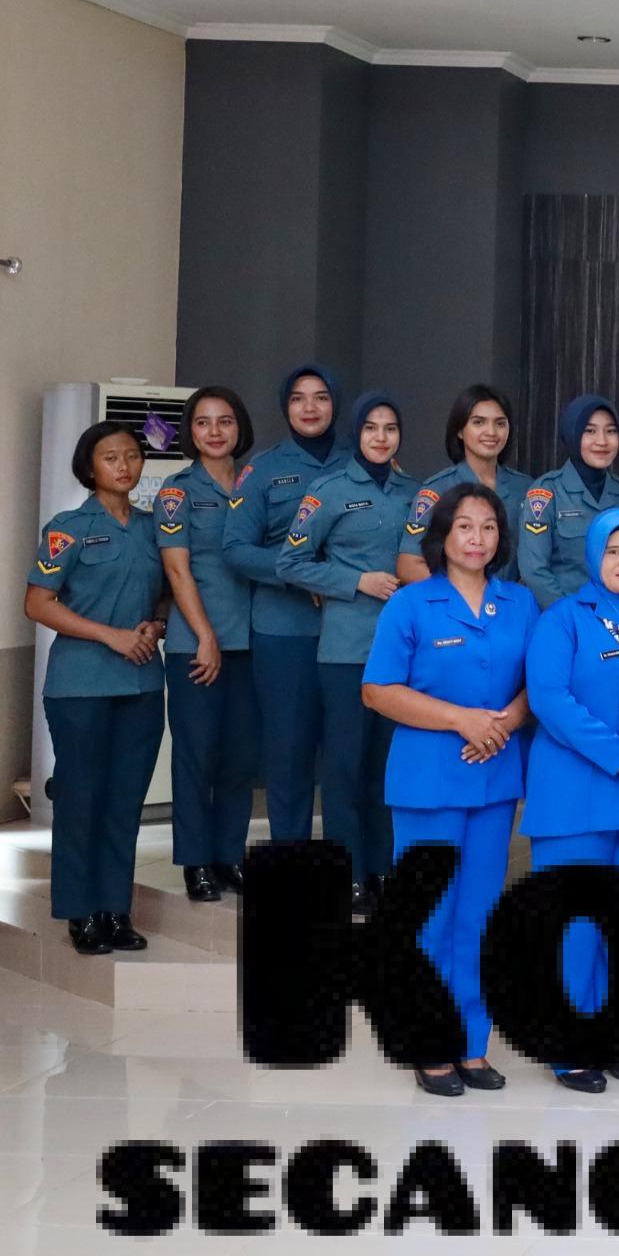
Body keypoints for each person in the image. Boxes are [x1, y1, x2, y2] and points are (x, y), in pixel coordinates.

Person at [359, 483, 537, 1096]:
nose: (477, 538)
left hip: (494, 780)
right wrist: (461, 719)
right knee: (429, 917)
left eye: (488, 527)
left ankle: (471, 1043)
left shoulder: (519, 603)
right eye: (465, 526)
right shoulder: (411, 604)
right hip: (428, 780)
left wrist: (504, 723)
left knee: (478, 917)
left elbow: (536, 683)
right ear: (442, 536)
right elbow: (377, 691)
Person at [522, 508, 619, 1092]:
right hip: (576, 793)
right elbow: (549, 698)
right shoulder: (563, 619)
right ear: (593, 556)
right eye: (613, 550)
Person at [26, 423, 168, 956]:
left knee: (124, 801)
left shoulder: (154, 529)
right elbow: (38, 603)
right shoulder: (68, 529)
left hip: (141, 682)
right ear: (90, 468)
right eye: (111, 457)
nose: (124, 466)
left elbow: (167, 593)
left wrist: (156, 624)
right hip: (80, 685)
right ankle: (79, 911)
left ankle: (115, 909)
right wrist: (110, 635)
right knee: (81, 798)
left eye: (131, 455)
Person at [277, 392, 420, 912]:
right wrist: (355, 580)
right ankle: (350, 873)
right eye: (371, 428)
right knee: (344, 768)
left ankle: (383, 868)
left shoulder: (416, 493)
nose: (381, 437)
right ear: (356, 434)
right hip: (347, 650)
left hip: (404, 652)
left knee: (388, 768)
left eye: (390, 428)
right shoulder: (329, 491)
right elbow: (290, 562)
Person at [222, 363, 346, 857]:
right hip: (284, 632)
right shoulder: (263, 469)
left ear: (336, 403)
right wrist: (300, 574)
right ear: (285, 407)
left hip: (351, 632)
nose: (310, 407)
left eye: (321, 397)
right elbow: (236, 549)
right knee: (289, 757)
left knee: (346, 759)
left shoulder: (361, 461)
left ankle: (349, 870)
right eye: (298, 398)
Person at [155, 385, 259, 902]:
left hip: (252, 640)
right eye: (203, 422)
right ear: (189, 432)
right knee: (197, 755)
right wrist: (205, 635)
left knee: (240, 757)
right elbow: (177, 570)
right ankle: (196, 861)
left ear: (240, 427)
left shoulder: (256, 482)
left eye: (224, 421)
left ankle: (228, 855)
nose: (215, 432)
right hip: (195, 644)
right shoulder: (177, 492)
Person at [396, 385, 533, 586]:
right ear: (459, 430)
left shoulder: (526, 489)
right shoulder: (436, 490)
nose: (491, 432)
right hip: (454, 602)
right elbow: (408, 565)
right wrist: (467, 591)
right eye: (479, 422)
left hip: (511, 602)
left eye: (500, 423)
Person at [519, 394, 619, 608]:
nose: (602, 441)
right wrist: (574, 617)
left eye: (611, 431)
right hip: (562, 617)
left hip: (618, 616)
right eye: (589, 431)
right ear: (572, 434)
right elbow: (534, 571)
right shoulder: (546, 492)